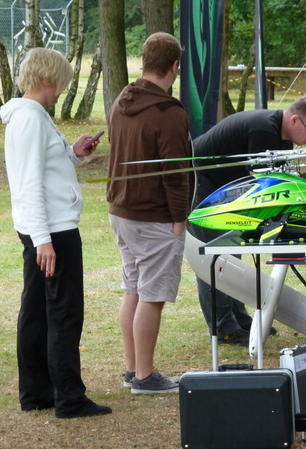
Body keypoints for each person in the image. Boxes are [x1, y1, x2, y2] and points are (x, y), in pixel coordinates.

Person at [1, 48, 111, 419]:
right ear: (46, 79)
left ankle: (37, 392)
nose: (61, 90)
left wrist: (74, 153)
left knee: (36, 309)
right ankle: (69, 397)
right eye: (60, 83)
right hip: (53, 232)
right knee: (64, 313)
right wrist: (43, 240)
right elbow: (29, 184)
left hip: (44, 229)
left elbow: (46, 167)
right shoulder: (30, 119)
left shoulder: (31, 116)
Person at [190, 96, 306, 345]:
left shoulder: (283, 138)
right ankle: (223, 328)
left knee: (233, 254)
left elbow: (278, 179)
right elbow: (263, 182)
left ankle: (240, 319)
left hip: (227, 187)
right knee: (215, 256)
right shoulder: (264, 130)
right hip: (202, 180)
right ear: (294, 120)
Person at [106, 32, 190, 395]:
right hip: (152, 215)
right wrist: (179, 218)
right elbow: (175, 172)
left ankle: (133, 369)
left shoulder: (122, 101)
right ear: (175, 66)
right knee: (150, 295)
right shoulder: (167, 112)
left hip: (122, 210)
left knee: (134, 290)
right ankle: (144, 375)